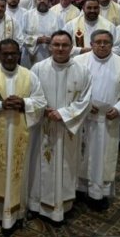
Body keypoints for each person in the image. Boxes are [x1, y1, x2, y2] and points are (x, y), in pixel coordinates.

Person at [0, 39, 46, 233]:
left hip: (20, 137)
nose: (9, 57)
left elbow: (40, 101)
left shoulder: (29, 76)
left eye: (13, 53)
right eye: (5, 53)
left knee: (19, 174)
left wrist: (24, 103)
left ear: (19, 55)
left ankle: (17, 214)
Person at [27, 30, 92, 223]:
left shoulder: (82, 70)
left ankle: (62, 204)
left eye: (65, 45)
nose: (60, 49)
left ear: (71, 47)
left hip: (67, 129)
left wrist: (63, 114)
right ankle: (36, 204)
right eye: (56, 44)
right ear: (50, 46)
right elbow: (30, 94)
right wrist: (43, 109)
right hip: (43, 126)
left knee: (66, 164)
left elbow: (86, 101)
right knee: (38, 163)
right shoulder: (38, 68)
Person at [74, 30, 120, 210]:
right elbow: (73, 89)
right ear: (91, 43)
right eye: (98, 42)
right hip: (84, 118)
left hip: (108, 120)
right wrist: (86, 105)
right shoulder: (79, 62)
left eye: (106, 42)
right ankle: (79, 189)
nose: (102, 45)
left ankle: (99, 193)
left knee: (103, 157)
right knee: (82, 155)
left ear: (112, 44)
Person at [23, 0, 63, 66]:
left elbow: (62, 36)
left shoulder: (57, 17)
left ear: (48, 1)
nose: (42, 1)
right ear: (35, 1)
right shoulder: (27, 16)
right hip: (30, 55)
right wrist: (36, 40)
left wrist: (52, 40)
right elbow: (21, 36)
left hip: (50, 53)